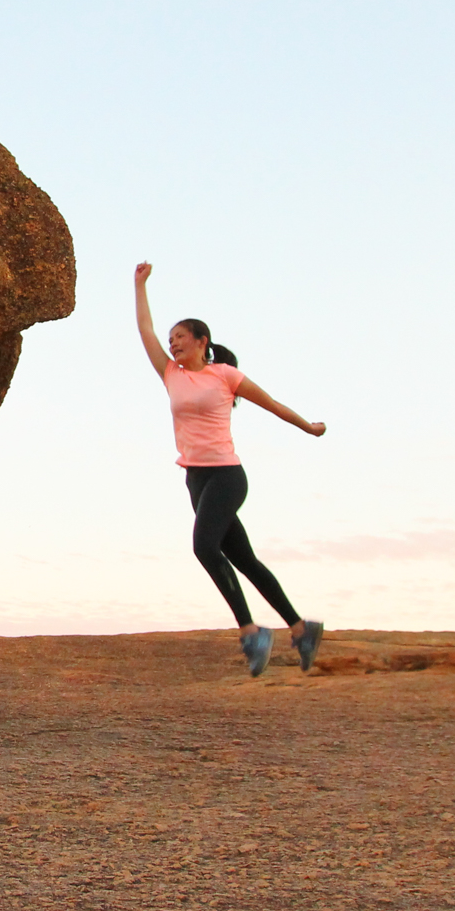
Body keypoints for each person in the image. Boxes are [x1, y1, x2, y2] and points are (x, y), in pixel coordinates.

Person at [134, 261, 326, 677]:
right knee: (245, 559)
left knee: (205, 547)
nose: (172, 345)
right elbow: (145, 332)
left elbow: (272, 404)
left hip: (226, 476)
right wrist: (140, 285)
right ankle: (301, 628)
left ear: (203, 341)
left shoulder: (225, 376)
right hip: (196, 480)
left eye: (181, 338)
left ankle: (251, 632)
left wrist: (308, 427)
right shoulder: (170, 374)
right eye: (171, 340)